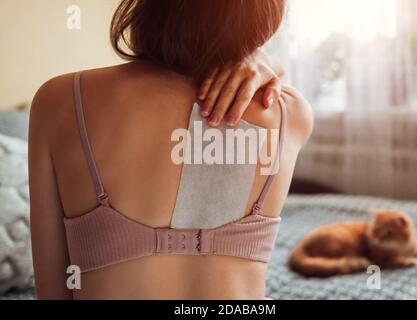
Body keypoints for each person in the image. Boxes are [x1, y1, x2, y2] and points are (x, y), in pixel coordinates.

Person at [29, 0, 313, 299]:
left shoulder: (60, 101)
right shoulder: (290, 114)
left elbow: (52, 290)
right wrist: (264, 59)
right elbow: (280, 89)